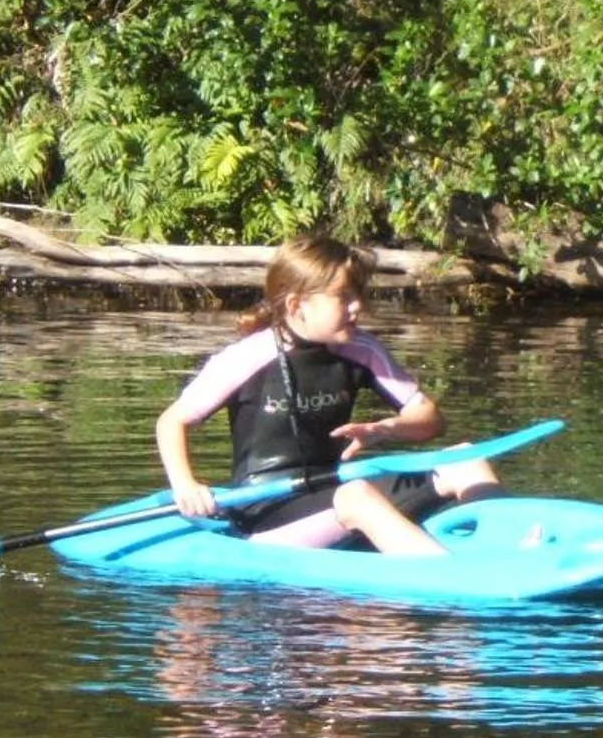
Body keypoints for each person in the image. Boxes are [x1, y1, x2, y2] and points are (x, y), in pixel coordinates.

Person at [154, 233, 498, 554]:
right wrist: (186, 485)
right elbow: (173, 421)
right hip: (264, 511)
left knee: (465, 460)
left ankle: (515, 549)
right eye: (343, 297)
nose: (357, 307)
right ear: (295, 305)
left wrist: (385, 430)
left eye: (358, 295)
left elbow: (430, 421)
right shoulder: (247, 357)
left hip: (336, 489)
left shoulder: (363, 350)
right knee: (357, 496)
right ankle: (451, 576)